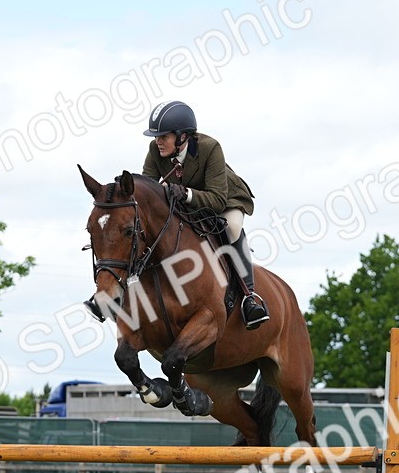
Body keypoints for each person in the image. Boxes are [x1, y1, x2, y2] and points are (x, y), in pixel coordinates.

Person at [84, 100, 270, 330]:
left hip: (223, 200)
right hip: (181, 201)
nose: (158, 141)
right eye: (156, 136)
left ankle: (248, 297)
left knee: (231, 227)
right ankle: (115, 295)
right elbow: (149, 187)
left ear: (183, 136)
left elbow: (217, 198)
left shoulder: (210, 148)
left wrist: (187, 194)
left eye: (164, 136)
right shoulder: (156, 150)